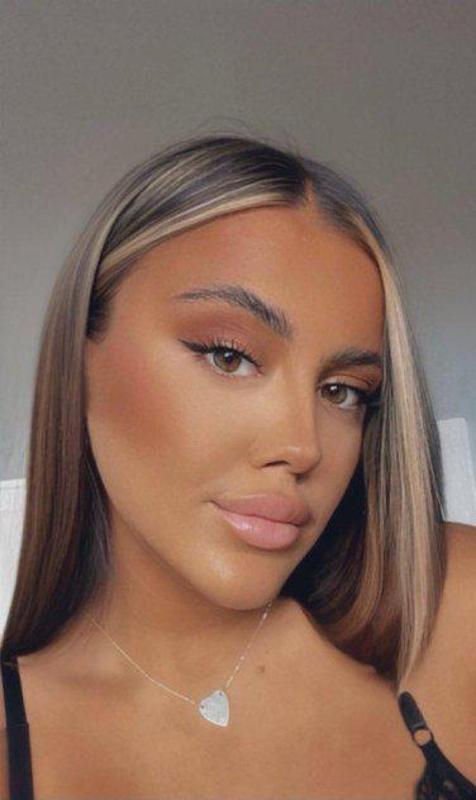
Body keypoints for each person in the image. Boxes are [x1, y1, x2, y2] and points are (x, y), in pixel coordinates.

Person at [1, 134, 475, 799]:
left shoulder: (451, 607)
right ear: (80, 360)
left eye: (343, 391)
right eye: (229, 356)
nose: (303, 447)